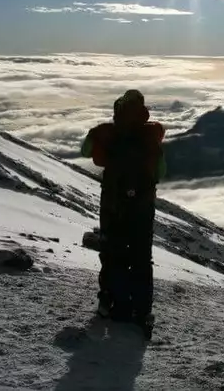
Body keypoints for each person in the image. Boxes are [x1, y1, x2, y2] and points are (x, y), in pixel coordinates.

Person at [80, 90, 165, 328]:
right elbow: (161, 172)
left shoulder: (108, 133)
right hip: (143, 206)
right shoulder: (151, 136)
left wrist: (95, 134)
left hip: (112, 204)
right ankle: (141, 311)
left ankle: (110, 304)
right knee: (141, 257)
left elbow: (86, 151)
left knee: (112, 253)